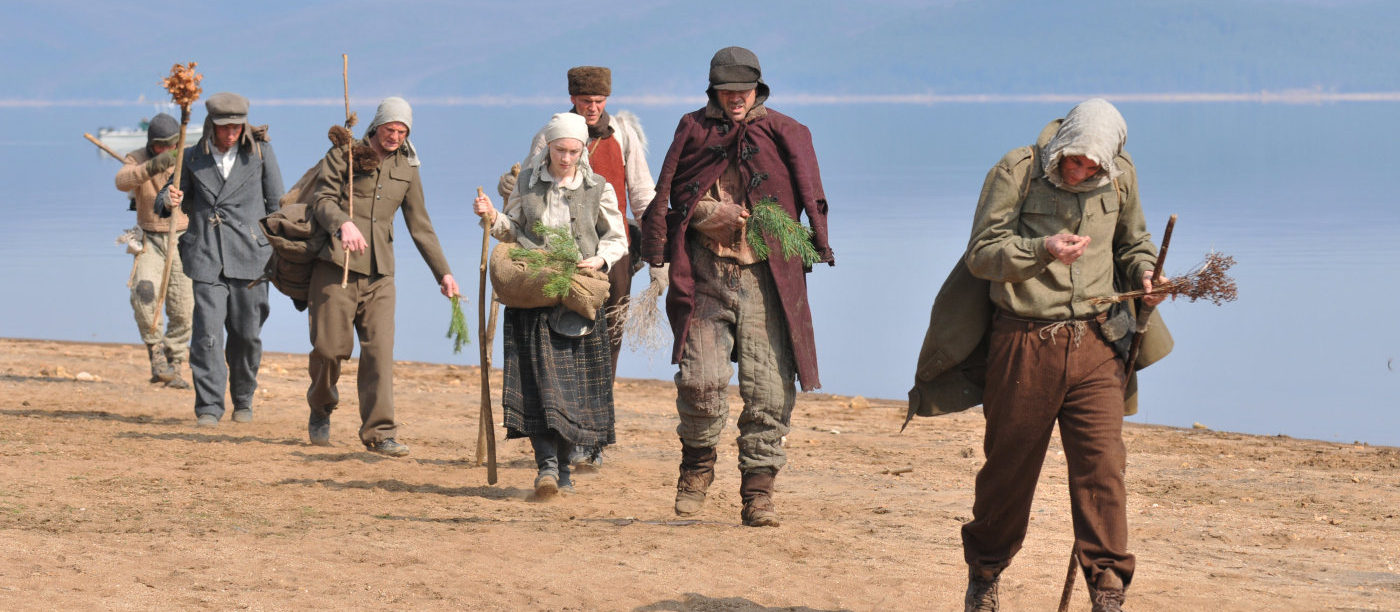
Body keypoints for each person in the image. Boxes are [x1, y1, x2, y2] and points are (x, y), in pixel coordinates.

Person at [931, 99, 1168, 612]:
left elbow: (1134, 244)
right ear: (1061, 148)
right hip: (1023, 345)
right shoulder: (1016, 170)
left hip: (1100, 344)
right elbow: (982, 253)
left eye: (1092, 167)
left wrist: (1148, 275)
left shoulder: (1121, 174)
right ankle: (986, 575)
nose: (1081, 172)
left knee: (1103, 469)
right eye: (1074, 162)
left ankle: (1107, 590)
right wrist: (1041, 250)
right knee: (1008, 474)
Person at [639, 47, 834, 527]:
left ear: (758, 89)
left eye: (743, 91)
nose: (736, 100)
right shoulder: (694, 129)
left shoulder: (787, 131)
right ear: (714, 92)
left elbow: (809, 190)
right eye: (727, 92)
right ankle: (697, 469)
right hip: (705, 274)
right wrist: (705, 217)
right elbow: (672, 191)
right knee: (700, 381)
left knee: (769, 390)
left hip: (766, 278)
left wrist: (817, 242)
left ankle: (758, 494)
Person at [498, 66, 660, 470]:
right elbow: (531, 188)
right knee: (559, 339)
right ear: (572, 98)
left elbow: (641, 193)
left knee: (606, 342)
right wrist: (507, 192)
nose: (592, 107)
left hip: (611, 252)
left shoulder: (623, 135)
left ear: (607, 99)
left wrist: (659, 252)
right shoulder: (551, 134)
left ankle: (592, 436)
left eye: (598, 101)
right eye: (585, 100)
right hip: (554, 255)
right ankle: (563, 430)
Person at [474, 112, 626, 498]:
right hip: (533, 288)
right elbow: (512, 228)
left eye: (574, 151)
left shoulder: (599, 188)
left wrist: (599, 259)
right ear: (548, 148)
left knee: (569, 390)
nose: (566, 158)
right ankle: (546, 469)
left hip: (576, 291)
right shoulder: (527, 181)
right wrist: (491, 216)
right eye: (560, 150)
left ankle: (564, 474)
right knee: (538, 387)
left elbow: (617, 238)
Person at [304, 97, 458, 457]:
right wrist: (342, 223)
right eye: (391, 129)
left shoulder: (408, 168)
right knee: (330, 350)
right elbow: (322, 199)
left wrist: (444, 272)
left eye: (403, 132)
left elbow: (421, 225)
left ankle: (379, 433)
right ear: (376, 127)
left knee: (379, 355)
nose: (396, 136)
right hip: (335, 268)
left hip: (380, 275)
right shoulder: (345, 155)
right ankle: (321, 407)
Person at [158, 92, 284, 427]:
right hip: (206, 256)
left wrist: (280, 251)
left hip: (252, 257)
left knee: (246, 335)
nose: (230, 134)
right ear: (210, 125)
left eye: (236, 127)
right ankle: (209, 407)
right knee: (207, 335)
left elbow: (277, 206)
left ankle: (243, 399)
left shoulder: (260, 153)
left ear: (243, 125)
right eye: (224, 127)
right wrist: (169, 198)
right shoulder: (191, 157)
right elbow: (165, 201)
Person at [114, 112, 192, 389]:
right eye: (160, 146)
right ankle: (156, 355)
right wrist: (151, 167)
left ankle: (176, 363)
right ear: (151, 144)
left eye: (171, 145)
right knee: (143, 294)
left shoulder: (188, 157)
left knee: (183, 307)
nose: (166, 150)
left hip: (183, 238)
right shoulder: (136, 157)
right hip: (149, 238)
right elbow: (122, 181)